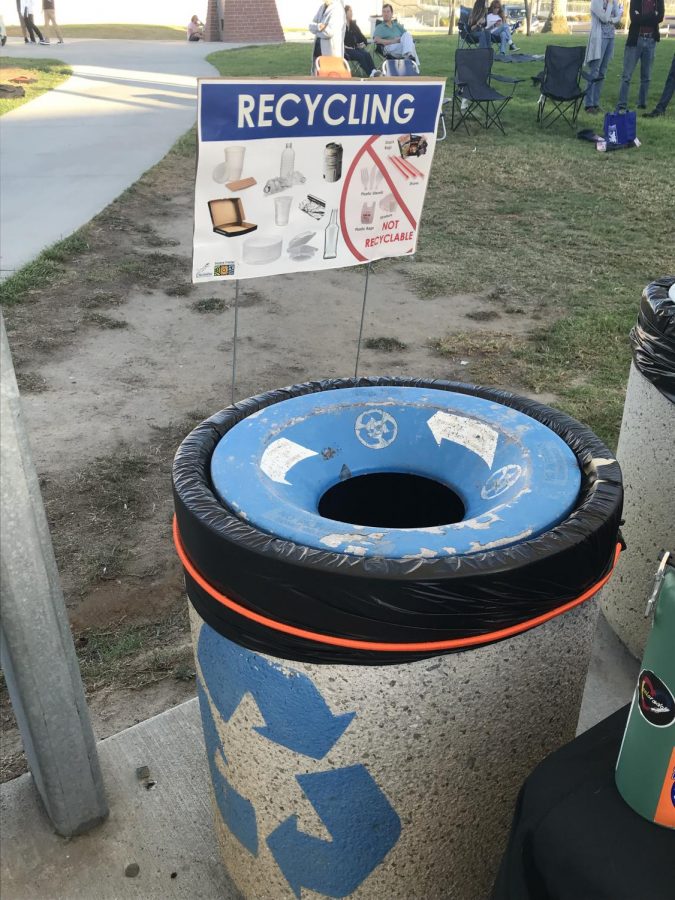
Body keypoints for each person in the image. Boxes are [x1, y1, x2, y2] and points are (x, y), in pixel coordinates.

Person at [616, 0, 665, 111]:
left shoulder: (659, 1)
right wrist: (653, 16)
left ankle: (642, 104)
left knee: (646, 76)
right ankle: (622, 104)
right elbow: (634, 18)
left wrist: (642, 17)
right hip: (635, 40)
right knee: (626, 76)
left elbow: (660, 17)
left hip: (651, 40)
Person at [584, 0, 623, 113]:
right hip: (599, 38)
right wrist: (610, 9)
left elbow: (618, 17)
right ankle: (589, 104)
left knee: (602, 72)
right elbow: (604, 18)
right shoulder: (596, 2)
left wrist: (612, 18)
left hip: (610, 37)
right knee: (594, 71)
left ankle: (596, 103)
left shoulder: (613, 1)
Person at [344, 5, 378, 75]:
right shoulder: (341, 25)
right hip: (345, 50)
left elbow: (361, 36)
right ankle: (370, 74)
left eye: (352, 11)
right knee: (361, 56)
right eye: (350, 11)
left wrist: (363, 43)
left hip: (354, 48)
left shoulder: (353, 24)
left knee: (367, 54)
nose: (351, 13)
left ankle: (375, 71)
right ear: (345, 13)